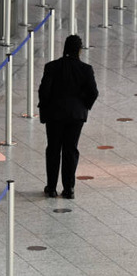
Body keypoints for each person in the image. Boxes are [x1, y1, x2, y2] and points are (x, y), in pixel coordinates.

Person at [38, 34, 99, 199]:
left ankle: (51, 188)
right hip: (76, 115)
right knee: (70, 150)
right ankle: (69, 188)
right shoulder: (86, 69)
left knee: (53, 149)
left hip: (54, 115)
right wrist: (83, 105)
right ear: (79, 50)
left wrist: (46, 107)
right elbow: (93, 92)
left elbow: (44, 91)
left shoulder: (51, 67)